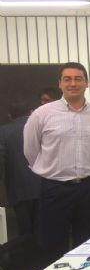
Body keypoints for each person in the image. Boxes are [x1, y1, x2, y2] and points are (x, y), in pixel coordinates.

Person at [23, 62, 90, 255]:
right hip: (55, 189)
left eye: (78, 79)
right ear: (60, 83)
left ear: (87, 83)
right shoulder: (42, 114)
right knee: (52, 246)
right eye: (67, 79)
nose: (73, 83)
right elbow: (31, 151)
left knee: (89, 245)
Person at [0, 99, 41, 237]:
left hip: (19, 191)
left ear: (10, 116)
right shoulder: (41, 128)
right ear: (31, 112)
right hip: (46, 187)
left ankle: (29, 250)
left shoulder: (3, 132)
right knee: (46, 230)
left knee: (26, 232)